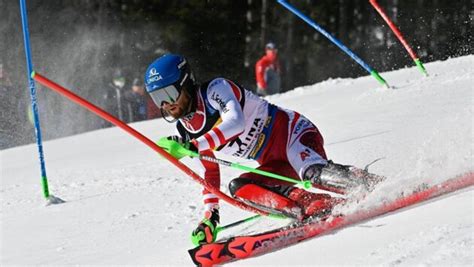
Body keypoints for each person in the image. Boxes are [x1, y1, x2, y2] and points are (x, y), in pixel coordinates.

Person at [145, 54, 382, 245]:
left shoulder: (216, 90)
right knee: (240, 188)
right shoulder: (186, 129)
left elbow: (235, 123)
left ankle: (374, 184)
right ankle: (312, 205)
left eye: (169, 94)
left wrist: (193, 146)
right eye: (158, 99)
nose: (166, 104)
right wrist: (211, 217)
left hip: (293, 134)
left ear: (186, 83)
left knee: (313, 174)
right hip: (275, 164)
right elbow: (210, 172)